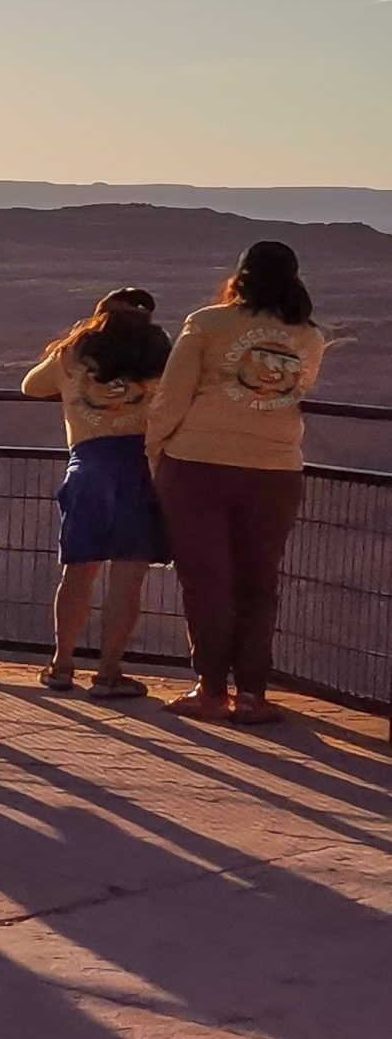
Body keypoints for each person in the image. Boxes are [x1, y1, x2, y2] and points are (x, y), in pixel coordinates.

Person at [146, 241, 325, 725]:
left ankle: (209, 690)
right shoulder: (310, 336)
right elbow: (293, 393)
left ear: (240, 275)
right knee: (258, 582)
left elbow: (170, 397)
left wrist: (155, 453)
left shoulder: (207, 322)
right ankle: (251, 695)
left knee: (206, 581)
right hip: (278, 470)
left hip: (198, 464)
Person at [21, 288, 172, 698]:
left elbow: (31, 386)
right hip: (142, 468)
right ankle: (108, 673)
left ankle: (61, 664)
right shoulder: (161, 357)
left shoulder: (72, 357)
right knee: (128, 577)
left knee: (79, 569)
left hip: (88, 462)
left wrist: (74, 351)